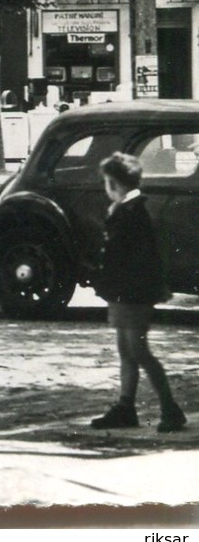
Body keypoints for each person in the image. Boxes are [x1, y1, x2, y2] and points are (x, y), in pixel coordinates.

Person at [90, 152, 187, 432]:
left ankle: (170, 408)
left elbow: (133, 259)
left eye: (107, 182)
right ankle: (126, 406)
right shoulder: (129, 211)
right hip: (125, 294)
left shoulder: (132, 214)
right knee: (127, 350)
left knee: (138, 351)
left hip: (132, 295)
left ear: (115, 184)